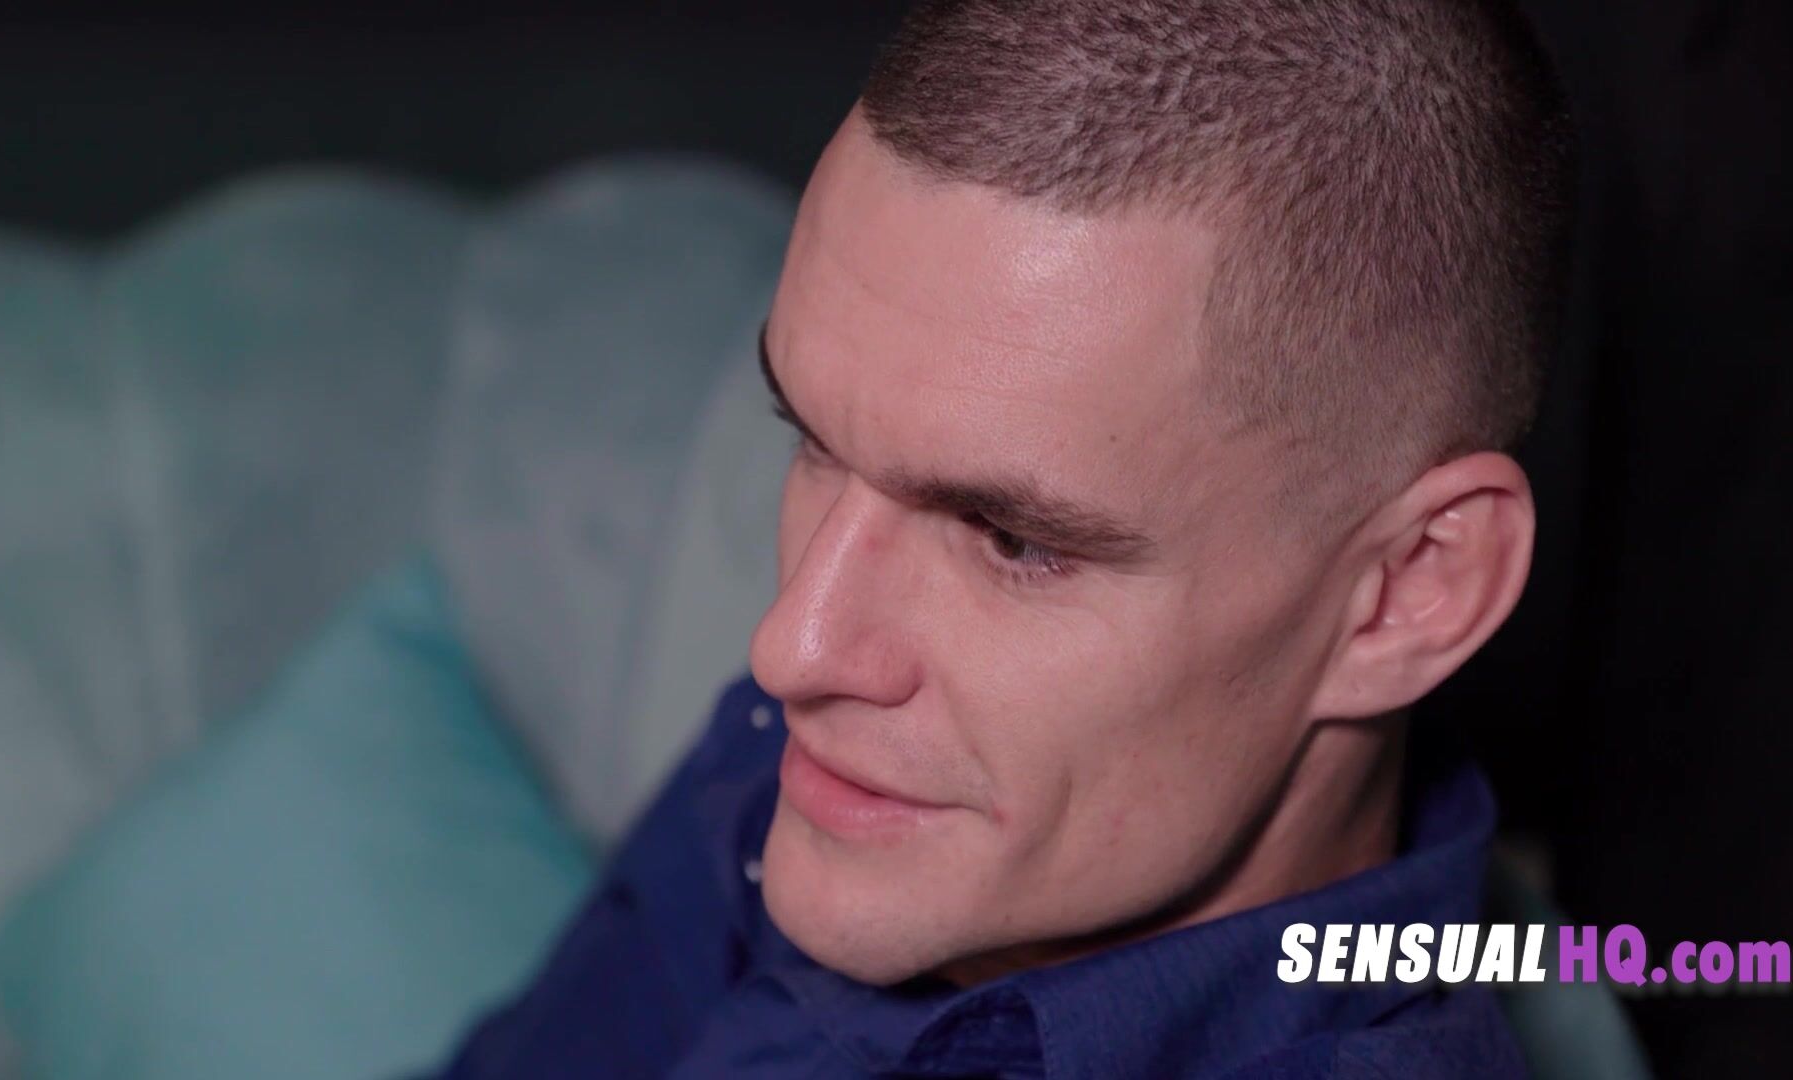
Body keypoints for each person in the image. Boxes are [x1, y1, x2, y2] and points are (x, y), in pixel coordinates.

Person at [435, 0, 1574, 1076]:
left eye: (1010, 541)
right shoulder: (842, 771)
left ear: (1411, 588)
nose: (792, 650)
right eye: (812, 440)